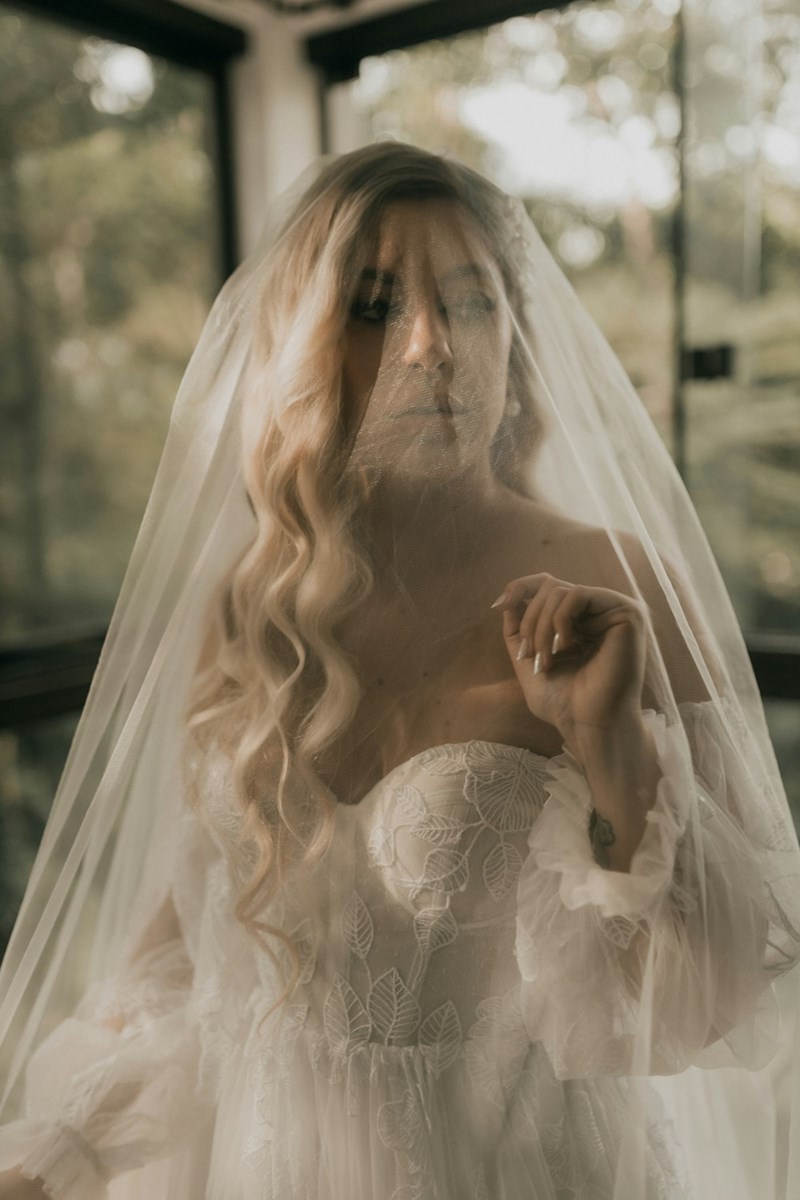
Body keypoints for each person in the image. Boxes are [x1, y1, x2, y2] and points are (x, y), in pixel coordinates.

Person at [1, 142, 799, 1199]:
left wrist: (609, 746)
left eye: (469, 304)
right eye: (375, 307)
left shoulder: (617, 585)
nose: (431, 348)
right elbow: (185, 956)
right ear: (298, 343)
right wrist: (57, 1153)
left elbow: (712, 997)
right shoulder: (253, 604)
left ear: (514, 334)